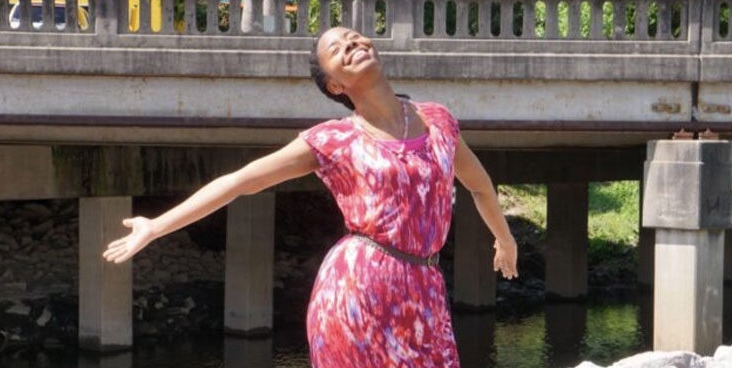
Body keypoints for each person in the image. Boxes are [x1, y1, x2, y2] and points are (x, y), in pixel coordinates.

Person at [103, 26, 518, 367]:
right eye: (337, 49)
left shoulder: (438, 121)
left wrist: (505, 239)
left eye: (354, 37)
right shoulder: (334, 140)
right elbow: (240, 181)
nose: (352, 44)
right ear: (335, 84)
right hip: (358, 290)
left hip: (424, 286)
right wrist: (155, 226)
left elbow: (480, 186)